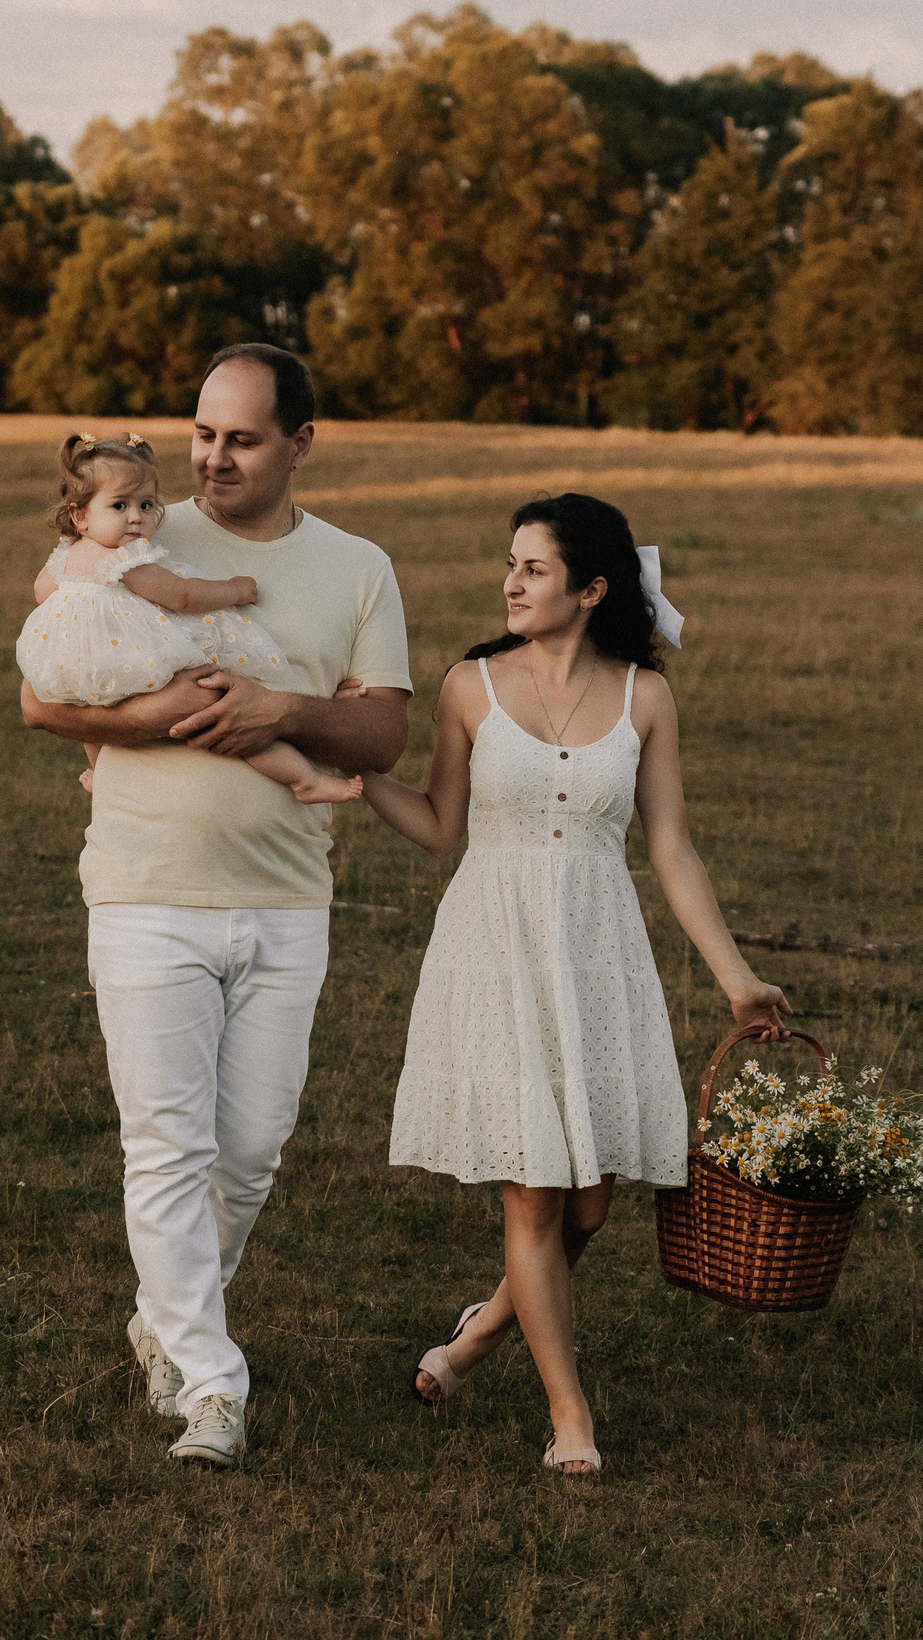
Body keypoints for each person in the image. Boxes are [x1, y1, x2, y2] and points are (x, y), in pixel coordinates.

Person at [18, 346, 412, 1469]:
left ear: (300, 443)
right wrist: (178, 717)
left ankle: (163, 1315)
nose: (211, 458)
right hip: (144, 890)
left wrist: (279, 705)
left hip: (289, 898)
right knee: (166, 1144)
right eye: (202, 434)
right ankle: (211, 1384)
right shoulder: (132, 531)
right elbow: (42, 698)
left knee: (249, 1149)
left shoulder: (358, 567)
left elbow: (382, 733)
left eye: (240, 438)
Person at [353, 492, 790, 1476]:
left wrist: (735, 977)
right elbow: (437, 828)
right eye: (509, 564)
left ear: (590, 589)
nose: (510, 582)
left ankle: (473, 1336)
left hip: (595, 950)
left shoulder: (645, 697)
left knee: (589, 1207)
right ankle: (570, 1421)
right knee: (535, 1198)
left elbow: (671, 848)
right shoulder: (470, 686)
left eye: (534, 569)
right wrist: (357, 784)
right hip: (492, 947)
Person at [17, 431, 361, 805]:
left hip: (84, 660)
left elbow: (42, 591)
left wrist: (79, 618)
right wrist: (234, 590)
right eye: (120, 506)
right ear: (79, 515)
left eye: (146, 505)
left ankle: (102, 771)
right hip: (133, 655)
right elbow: (181, 596)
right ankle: (303, 778)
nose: (136, 518)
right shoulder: (125, 560)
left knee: (88, 701)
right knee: (220, 707)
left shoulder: (66, 555)